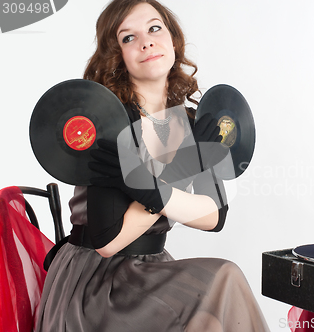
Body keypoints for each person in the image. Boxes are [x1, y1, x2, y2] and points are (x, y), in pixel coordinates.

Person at [34, 0, 270, 331]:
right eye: (128, 37)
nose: (146, 41)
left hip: (149, 272)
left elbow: (213, 216)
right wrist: (182, 169)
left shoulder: (190, 120)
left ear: (173, 40)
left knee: (216, 302)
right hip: (96, 284)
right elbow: (108, 242)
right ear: (117, 56)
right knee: (222, 281)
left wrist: (152, 183)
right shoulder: (110, 123)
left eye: (154, 28)